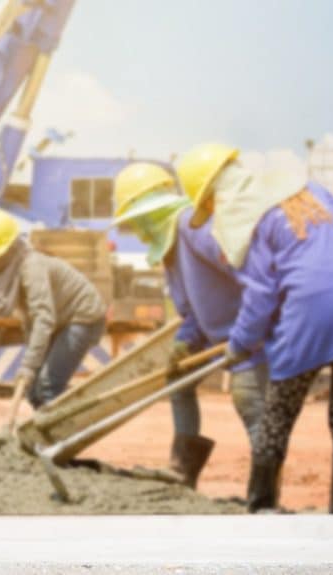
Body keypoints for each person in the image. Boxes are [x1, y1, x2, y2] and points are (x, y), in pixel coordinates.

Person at [178, 142, 333, 512]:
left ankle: (262, 506)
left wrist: (239, 344)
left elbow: (260, 297)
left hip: (309, 318)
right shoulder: (313, 191)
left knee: (277, 414)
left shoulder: (259, 219)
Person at [112, 161, 269, 488]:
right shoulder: (169, 250)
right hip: (224, 340)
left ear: (151, 213)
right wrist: (185, 342)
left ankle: (265, 494)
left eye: (137, 222)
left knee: (249, 401)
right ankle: (183, 470)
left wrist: (248, 335)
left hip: (253, 339)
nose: (137, 232)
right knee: (178, 379)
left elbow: (252, 278)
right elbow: (195, 312)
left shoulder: (193, 227)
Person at [0, 209, 106, 410]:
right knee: (33, 391)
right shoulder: (11, 273)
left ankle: (61, 439)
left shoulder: (31, 267)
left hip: (83, 318)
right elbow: (30, 321)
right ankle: (44, 436)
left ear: (10, 248)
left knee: (47, 387)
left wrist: (28, 366)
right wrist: (31, 368)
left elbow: (43, 318)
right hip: (59, 320)